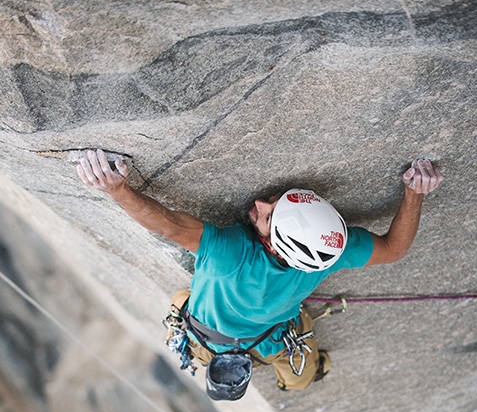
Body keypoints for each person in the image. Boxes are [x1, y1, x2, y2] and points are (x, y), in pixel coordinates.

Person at [77, 150, 443, 397]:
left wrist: (118, 190)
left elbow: (170, 226)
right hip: (276, 337)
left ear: (273, 245)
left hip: (214, 338)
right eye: (275, 204)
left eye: (267, 216)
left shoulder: (232, 254)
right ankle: (306, 367)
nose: (259, 204)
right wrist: (414, 194)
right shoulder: (333, 250)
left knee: (299, 382)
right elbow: (394, 249)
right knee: (300, 376)